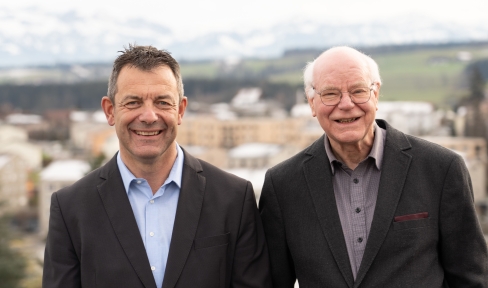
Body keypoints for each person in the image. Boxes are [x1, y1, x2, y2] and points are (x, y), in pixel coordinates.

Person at [43, 44, 272, 288]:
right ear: (110, 111)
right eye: (133, 102)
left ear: (181, 110)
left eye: (163, 102)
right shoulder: (71, 209)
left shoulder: (234, 199)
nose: (149, 116)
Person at [259, 46, 488, 287]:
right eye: (330, 94)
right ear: (312, 103)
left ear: (376, 94)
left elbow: (471, 278)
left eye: (358, 91)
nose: (346, 104)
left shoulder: (441, 169)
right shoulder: (282, 185)